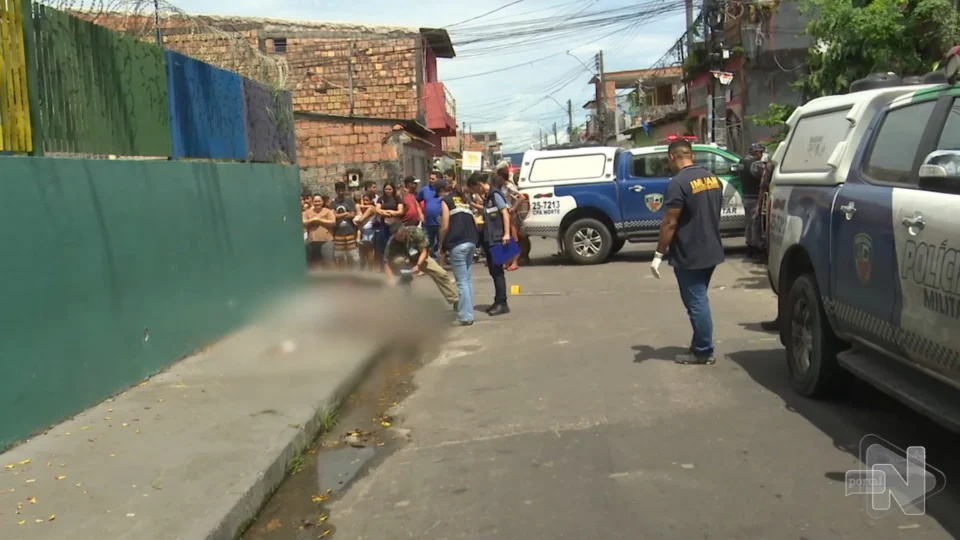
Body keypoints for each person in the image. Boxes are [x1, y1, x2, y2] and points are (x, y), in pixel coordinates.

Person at [651, 139, 725, 365]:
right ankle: (699, 343)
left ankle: (703, 351)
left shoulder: (678, 183)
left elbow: (669, 223)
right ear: (691, 155)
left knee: (696, 303)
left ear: (671, 157)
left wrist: (658, 254)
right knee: (699, 299)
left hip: (689, 252)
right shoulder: (712, 178)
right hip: (711, 249)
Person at [383, 221, 459, 309]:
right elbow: (386, 261)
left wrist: (418, 265)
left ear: (405, 231)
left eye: (400, 236)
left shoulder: (415, 232)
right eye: (396, 237)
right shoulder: (392, 241)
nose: (399, 239)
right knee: (397, 261)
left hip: (420, 257)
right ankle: (403, 285)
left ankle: (454, 299)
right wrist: (389, 278)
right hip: (404, 260)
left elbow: (424, 251)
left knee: (440, 273)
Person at [468, 172, 511, 316]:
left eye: (474, 189)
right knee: (493, 271)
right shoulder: (487, 197)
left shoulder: (495, 195)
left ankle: (502, 303)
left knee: (498, 272)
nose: (475, 192)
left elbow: (505, 213)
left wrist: (506, 233)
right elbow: (488, 212)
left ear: (479, 185)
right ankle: (498, 300)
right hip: (490, 238)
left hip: (498, 238)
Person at [438, 179, 479, 326]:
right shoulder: (464, 200)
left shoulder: (446, 201)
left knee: (461, 282)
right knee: (467, 280)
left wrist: (441, 243)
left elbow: (445, 225)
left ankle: (465, 316)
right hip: (471, 242)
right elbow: (473, 221)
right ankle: (468, 313)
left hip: (457, 243)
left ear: (443, 191)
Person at [740, 142, 767, 260]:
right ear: (756, 152)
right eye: (760, 152)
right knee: (755, 224)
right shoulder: (755, 164)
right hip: (754, 197)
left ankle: (749, 247)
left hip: (746, 196)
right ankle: (756, 249)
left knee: (749, 223)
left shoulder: (741, 162)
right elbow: (764, 177)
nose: (761, 155)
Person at [330, 182, 359, 269]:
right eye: (339, 190)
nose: (341, 192)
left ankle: (350, 272)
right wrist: (346, 213)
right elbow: (333, 216)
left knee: (351, 255)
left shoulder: (349, 201)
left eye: (342, 190)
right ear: (336, 191)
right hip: (338, 232)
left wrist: (339, 215)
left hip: (349, 231)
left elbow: (353, 214)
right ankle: (342, 273)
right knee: (340, 256)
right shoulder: (333, 203)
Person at [375, 182, 404, 268]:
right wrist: (386, 213)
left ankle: (395, 265)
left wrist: (391, 213)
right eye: (386, 189)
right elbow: (377, 210)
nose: (388, 191)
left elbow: (400, 211)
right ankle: (384, 265)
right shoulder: (381, 199)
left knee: (395, 243)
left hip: (395, 225)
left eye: (390, 189)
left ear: (393, 190)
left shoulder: (397, 198)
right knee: (384, 244)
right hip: (384, 224)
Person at [302, 194, 336, 268]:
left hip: (326, 241)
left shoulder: (328, 211)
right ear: (312, 202)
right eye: (315, 201)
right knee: (313, 263)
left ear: (322, 202)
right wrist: (312, 220)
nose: (317, 203)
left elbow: (333, 222)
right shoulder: (307, 212)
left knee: (328, 262)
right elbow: (303, 222)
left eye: (319, 201)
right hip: (312, 242)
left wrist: (320, 220)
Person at [418, 171, 443, 261]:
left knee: (439, 245)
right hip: (427, 223)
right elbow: (416, 200)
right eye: (430, 178)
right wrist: (420, 214)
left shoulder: (443, 190)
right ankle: (427, 263)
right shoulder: (424, 190)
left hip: (440, 223)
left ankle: (438, 264)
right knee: (426, 244)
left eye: (433, 179)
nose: (430, 180)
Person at [355, 192, 378, 271]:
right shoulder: (362, 208)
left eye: (367, 200)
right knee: (361, 253)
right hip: (362, 231)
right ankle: (362, 270)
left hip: (369, 232)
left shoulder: (372, 208)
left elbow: (360, 220)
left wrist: (358, 220)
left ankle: (370, 271)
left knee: (369, 252)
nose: (365, 202)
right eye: (364, 200)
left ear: (371, 201)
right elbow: (357, 206)